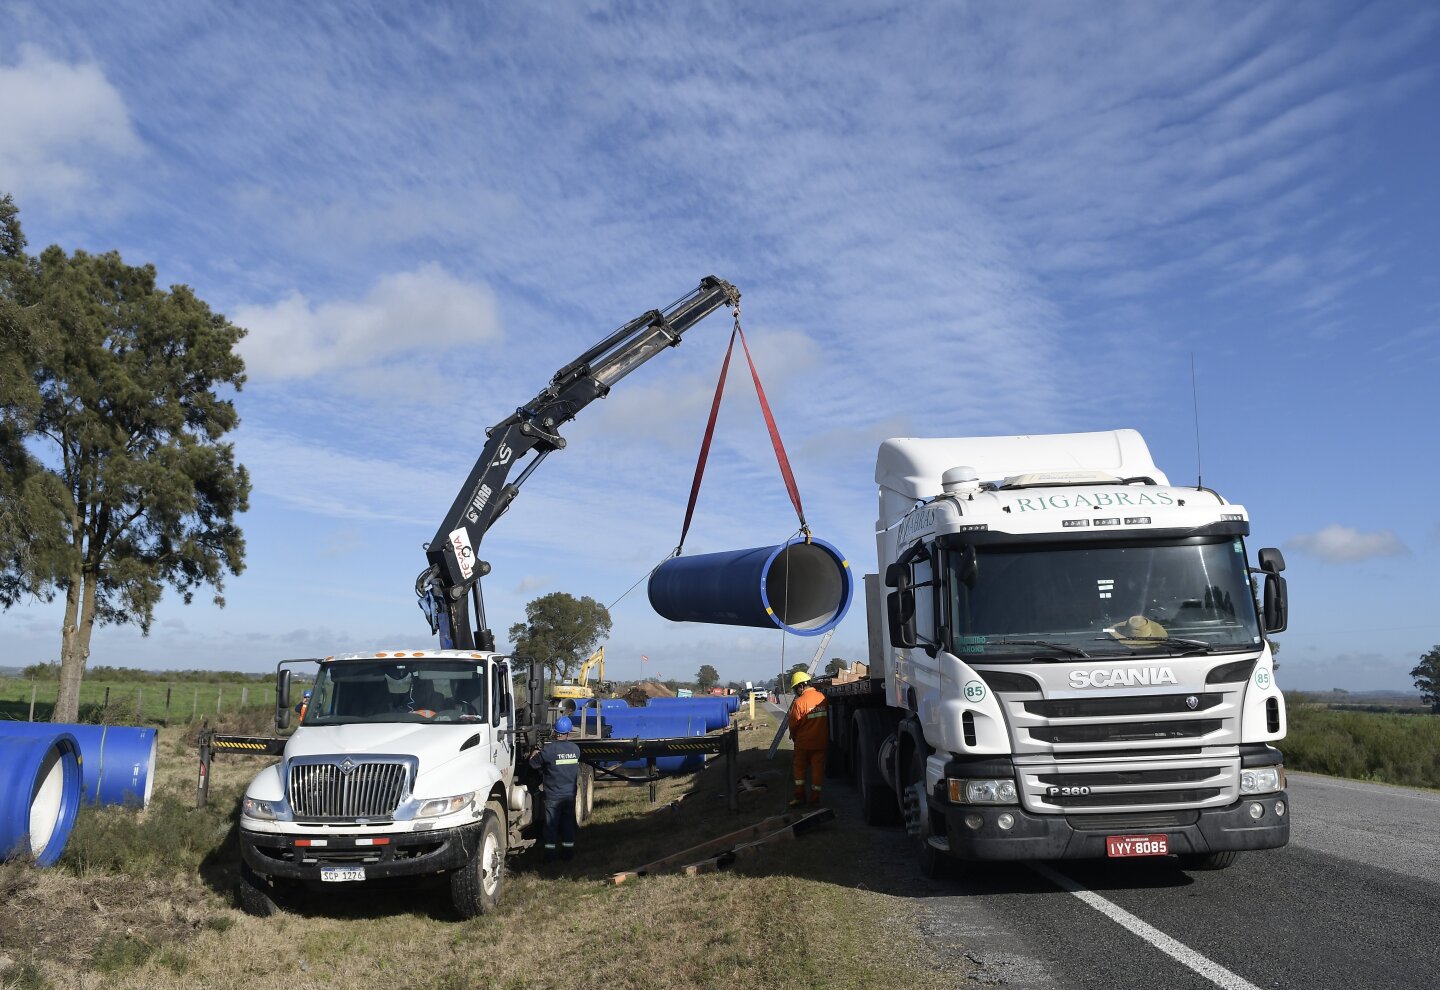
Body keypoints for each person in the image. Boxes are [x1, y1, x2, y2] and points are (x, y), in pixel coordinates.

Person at [529, 716, 582, 862]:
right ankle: (568, 853)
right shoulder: (575, 750)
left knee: (551, 826)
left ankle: (550, 856)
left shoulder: (549, 750)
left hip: (553, 796)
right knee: (567, 824)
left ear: (555, 731)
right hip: (570, 795)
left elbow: (533, 764)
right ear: (568, 732)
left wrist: (534, 752)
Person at [786, 671, 829, 807]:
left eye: (796, 688)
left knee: (799, 769)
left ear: (801, 686)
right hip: (820, 742)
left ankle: (799, 797)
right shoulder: (822, 697)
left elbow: (793, 724)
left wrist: (793, 737)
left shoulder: (799, 702)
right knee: (817, 770)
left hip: (803, 743)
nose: (796, 691)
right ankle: (815, 798)